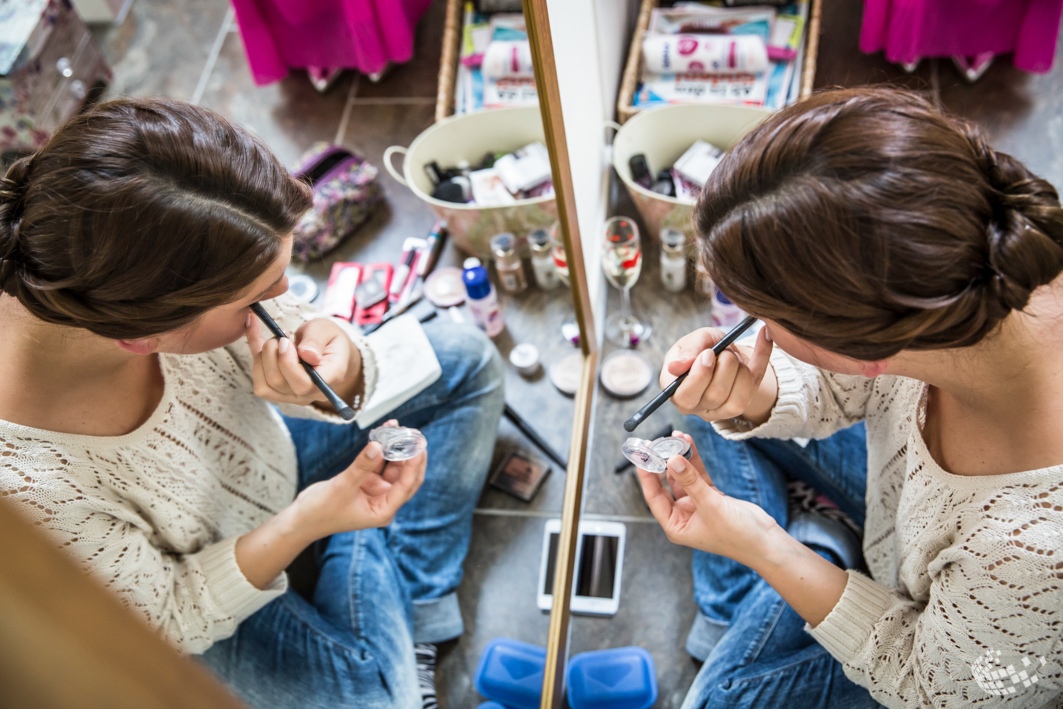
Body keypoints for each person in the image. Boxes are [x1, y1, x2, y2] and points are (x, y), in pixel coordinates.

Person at [0, 97, 504, 709]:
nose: (286, 297)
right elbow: (170, 614)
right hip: (208, 584)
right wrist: (312, 521)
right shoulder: (27, 494)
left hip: (273, 462)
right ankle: (372, 553)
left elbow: (310, 330)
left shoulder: (127, 244)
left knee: (466, 361)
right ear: (142, 338)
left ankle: (415, 615)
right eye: (259, 298)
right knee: (378, 700)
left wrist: (339, 365)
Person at [638, 87, 1063, 708]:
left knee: (715, 699)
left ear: (863, 344)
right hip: (896, 514)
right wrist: (754, 392)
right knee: (701, 408)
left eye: (760, 317)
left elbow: (929, 688)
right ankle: (815, 555)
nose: (748, 329)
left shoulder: (1034, 551)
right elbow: (850, 381)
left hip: (941, 633)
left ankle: (800, 560)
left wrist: (764, 547)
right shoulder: (952, 269)